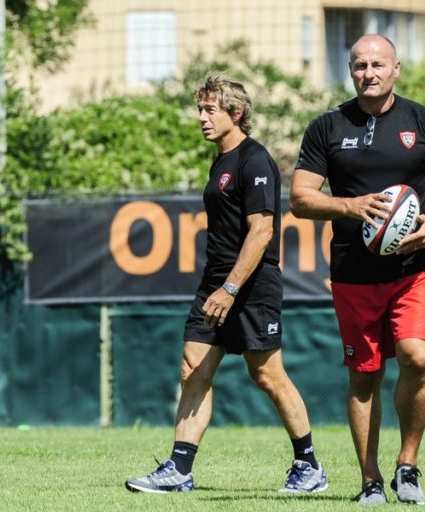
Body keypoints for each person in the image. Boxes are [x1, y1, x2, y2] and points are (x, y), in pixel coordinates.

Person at [289, 34, 425, 506]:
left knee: (417, 357)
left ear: (397, 69)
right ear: (351, 72)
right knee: (364, 376)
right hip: (352, 274)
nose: (369, 73)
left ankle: (407, 466)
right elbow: (300, 199)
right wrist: (349, 206)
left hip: (415, 270)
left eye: (378, 64)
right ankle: (369, 481)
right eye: (359, 66)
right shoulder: (327, 127)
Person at [126, 75, 327, 495]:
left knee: (267, 374)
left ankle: (309, 466)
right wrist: (218, 285)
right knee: (192, 369)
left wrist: (231, 288)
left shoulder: (255, 160)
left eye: (209, 110)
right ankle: (179, 468)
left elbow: (262, 232)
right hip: (215, 281)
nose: (201, 118)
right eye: (199, 109)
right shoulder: (220, 160)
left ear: (236, 114)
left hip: (250, 285)